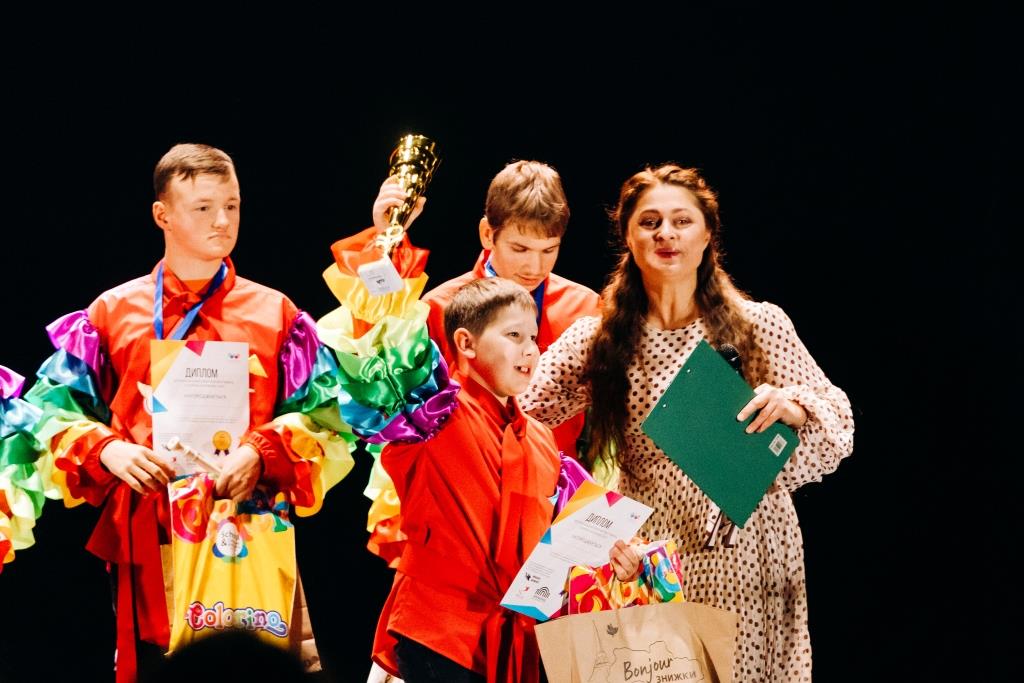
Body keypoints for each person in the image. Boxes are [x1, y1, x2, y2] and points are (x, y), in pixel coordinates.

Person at [20, 144, 353, 682]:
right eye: (203, 208)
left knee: (254, 668)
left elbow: (329, 419)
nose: (223, 221)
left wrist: (261, 451)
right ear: (163, 215)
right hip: (150, 535)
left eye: (232, 206)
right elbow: (46, 416)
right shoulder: (112, 313)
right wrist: (110, 449)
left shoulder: (276, 313)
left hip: (248, 529)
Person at [519, 165, 855, 682]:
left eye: (681, 221)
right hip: (652, 560)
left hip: (749, 553)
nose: (666, 234)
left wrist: (795, 405)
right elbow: (521, 419)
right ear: (628, 237)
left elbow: (838, 424)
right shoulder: (598, 341)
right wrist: (580, 513)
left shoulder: (759, 325)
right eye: (649, 222)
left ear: (707, 235)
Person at [369, 278, 639, 683]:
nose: (530, 349)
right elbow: (378, 353)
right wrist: (382, 263)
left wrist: (617, 557)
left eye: (532, 337)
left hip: (514, 640)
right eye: (513, 335)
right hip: (440, 631)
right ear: (465, 343)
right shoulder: (431, 413)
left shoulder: (542, 440)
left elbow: (574, 533)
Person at [371, 160, 600, 459]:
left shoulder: (585, 307)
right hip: (464, 476)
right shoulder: (439, 307)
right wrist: (385, 240)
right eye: (520, 249)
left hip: (559, 476)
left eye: (549, 250)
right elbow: (385, 388)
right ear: (487, 234)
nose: (535, 267)